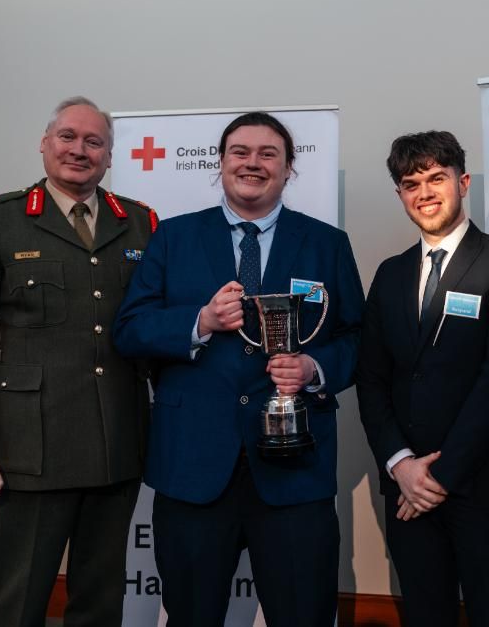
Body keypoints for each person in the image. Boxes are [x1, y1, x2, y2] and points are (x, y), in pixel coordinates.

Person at [113, 111, 364, 626]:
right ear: (221, 164)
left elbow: (358, 338)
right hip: (194, 468)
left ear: (289, 168)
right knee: (192, 616)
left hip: (295, 470)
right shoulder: (173, 237)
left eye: (268, 154)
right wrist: (199, 322)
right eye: (240, 153)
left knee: (304, 615)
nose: (253, 163)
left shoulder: (325, 243)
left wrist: (315, 366)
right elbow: (130, 329)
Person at [0, 96, 156, 626]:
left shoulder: (139, 223)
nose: (78, 150)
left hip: (117, 443)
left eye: (93, 142)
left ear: (109, 155)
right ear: (45, 143)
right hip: (31, 449)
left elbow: (151, 333)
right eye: (67, 137)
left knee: (102, 603)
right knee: (16, 605)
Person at [356, 131, 489, 626]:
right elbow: (371, 379)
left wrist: (438, 476)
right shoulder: (389, 274)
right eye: (412, 184)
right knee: (424, 615)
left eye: (437, 178)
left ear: (463, 181)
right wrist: (400, 465)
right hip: (406, 488)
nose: (426, 192)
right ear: (400, 195)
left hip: (482, 486)